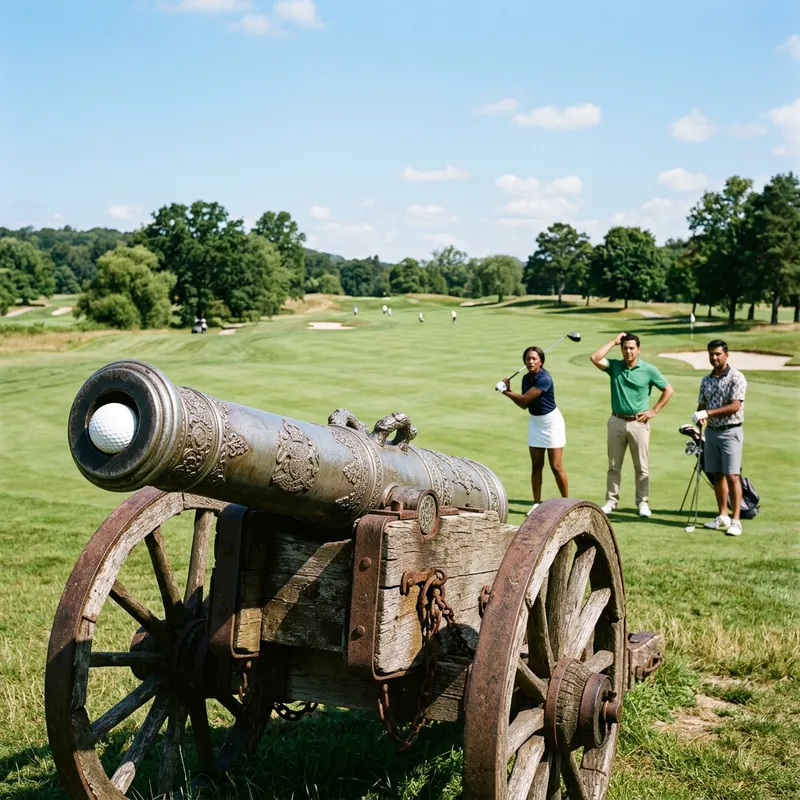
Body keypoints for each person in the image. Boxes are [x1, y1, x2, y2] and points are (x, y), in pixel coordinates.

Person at [590, 332, 674, 517]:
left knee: (641, 467)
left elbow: (668, 390)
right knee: (613, 466)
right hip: (616, 421)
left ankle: (642, 502)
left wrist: (654, 411)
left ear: (638, 349)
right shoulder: (614, 366)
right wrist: (613, 341)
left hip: (639, 423)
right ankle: (611, 501)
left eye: (631, 348)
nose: (628, 351)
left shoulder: (649, 370)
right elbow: (595, 358)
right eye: (625, 348)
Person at [498, 345, 568, 515]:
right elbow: (524, 405)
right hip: (536, 423)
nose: (530, 361)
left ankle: (567, 503)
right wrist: (510, 392)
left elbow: (524, 399)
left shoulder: (545, 379)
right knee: (536, 466)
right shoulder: (525, 379)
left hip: (552, 423)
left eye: (534, 359)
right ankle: (536, 503)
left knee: (556, 466)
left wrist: (506, 392)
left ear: (541, 362)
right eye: (528, 359)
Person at [692, 339, 748, 536]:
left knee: (733, 475)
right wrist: (699, 418)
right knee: (717, 474)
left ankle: (736, 520)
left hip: (730, 431)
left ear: (726, 355)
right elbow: (702, 406)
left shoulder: (737, 377)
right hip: (712, 432)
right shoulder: (706, 380)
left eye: (717, 354)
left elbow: (735, 406)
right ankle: (723, 515)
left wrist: (708, 413)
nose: (714, 357)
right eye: (711, 354)